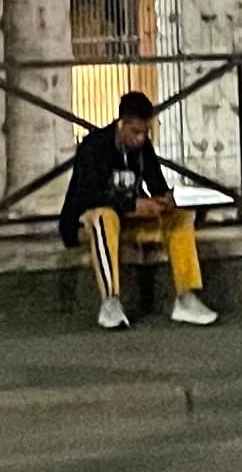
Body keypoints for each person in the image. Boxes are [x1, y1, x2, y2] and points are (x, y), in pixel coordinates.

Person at [57, 90, 217, 330]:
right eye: (136, 132)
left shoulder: (143, 148)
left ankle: (186, 297)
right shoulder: (94, 147)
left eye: (146, 132)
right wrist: (133, 205)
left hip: (129, 221)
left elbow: (156, 183)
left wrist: (164, 200)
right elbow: (88, 197)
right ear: (121, 123)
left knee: (180, 219)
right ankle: (110, 301)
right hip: (88, 224)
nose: (141, 138)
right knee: (104, 217)